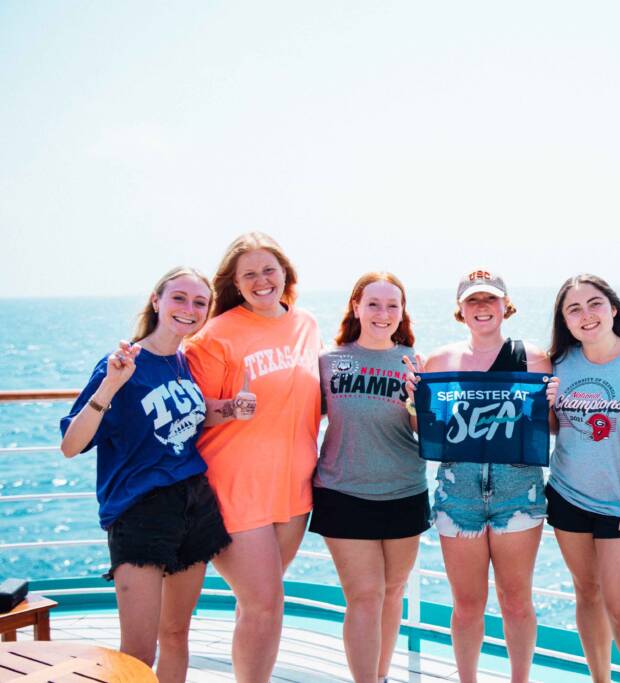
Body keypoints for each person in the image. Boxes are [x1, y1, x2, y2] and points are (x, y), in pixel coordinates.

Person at [59, 267, 244, 683]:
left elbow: (191, 415)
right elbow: (71, 445)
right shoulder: (125, 364)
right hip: (140, 512)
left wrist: (232, 408)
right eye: (179, 297)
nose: (189, 309)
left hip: (193, 504)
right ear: (157, 300)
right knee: (138, 653)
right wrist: (110, 385)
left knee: (177, 633)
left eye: (200, 302)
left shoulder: (184, 362)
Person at [185, 233, 322, 683]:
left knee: (258, 603)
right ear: (235, 283)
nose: (262, 281)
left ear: (285, 273)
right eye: (250, 274)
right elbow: (190, 412)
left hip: (294, 485)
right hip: (234, 487)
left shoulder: (306, 324)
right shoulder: (215, 335)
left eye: (269, 270)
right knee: (266, 604)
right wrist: (228, 408)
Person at [404, 269, 549, 683]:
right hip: (458, 492)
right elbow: (424, 428)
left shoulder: (534, 357)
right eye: (473, 300)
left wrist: (553, 403)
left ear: (506, 305)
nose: (482, 307)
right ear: (460, 310)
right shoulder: (439, 361)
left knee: (516, 601)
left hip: (517, 491)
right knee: (466, 604)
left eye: (490, 299)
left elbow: (549, 423)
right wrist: (412, 402)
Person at [311, 272, 429, 683]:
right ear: (356, 307)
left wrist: (419, 405)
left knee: (392, 592)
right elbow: (300, 420)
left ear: (402, 312)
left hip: (405, 492)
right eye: (373, 304)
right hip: (343, 492)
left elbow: (424, 431)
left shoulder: (415, 361)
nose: (382, 313)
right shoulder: (329, 360)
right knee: (364, 596)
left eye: (391, 305)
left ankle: (378, 676)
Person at [544, 274, 620, 683]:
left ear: (613, 309)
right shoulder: (558, 364)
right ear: (565, 321)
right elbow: (557, 427)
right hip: (567, 495)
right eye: (573, 309)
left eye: (594, 304)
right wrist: (547, 408)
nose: (585, 315)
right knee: (586, 593)